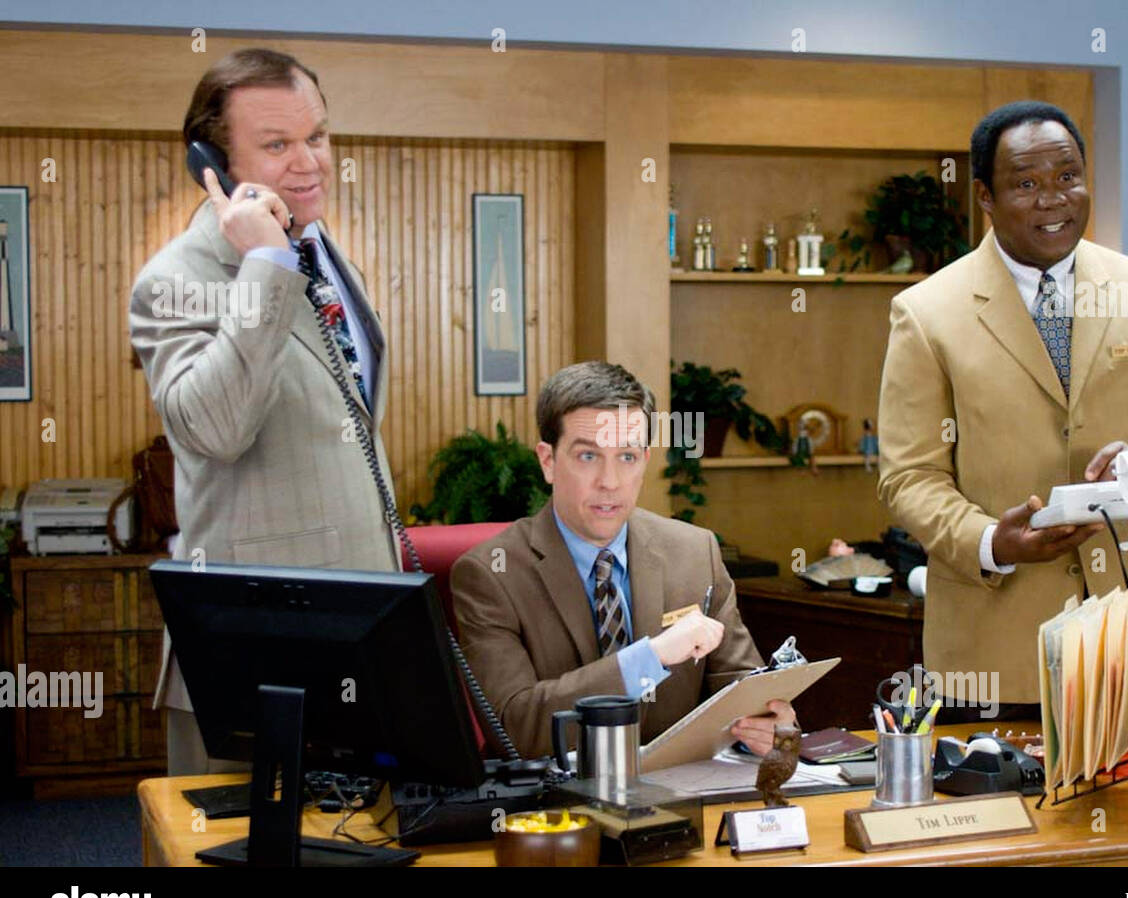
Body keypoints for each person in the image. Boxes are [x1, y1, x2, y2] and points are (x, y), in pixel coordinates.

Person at [876, 101, 1128, 719]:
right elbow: (909, 476)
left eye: (1068, 177)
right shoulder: (926, 313)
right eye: (1027, 183)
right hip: (993, 652)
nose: (1053, 200)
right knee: (1001, 815)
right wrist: (992, 542)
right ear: (984, 195)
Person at [129, 49, 401, 774]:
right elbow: (215, 429)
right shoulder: (174, 281)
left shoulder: (324, 254)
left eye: (316, 136)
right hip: (248, 658)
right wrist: (264, 268)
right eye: (277, 145)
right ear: (210, 162)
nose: (309, 162)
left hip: (356, 644)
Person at [451, 361, 795, 759]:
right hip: (555, 809)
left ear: (646, 460)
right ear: (548, 461)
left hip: (680, 795)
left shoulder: (695, 551)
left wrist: (770, 724)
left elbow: (740, 686)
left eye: (627, 457)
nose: (610, 482)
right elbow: (517, 729)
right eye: (587, 457)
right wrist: (652, 657)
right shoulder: (490, 574)